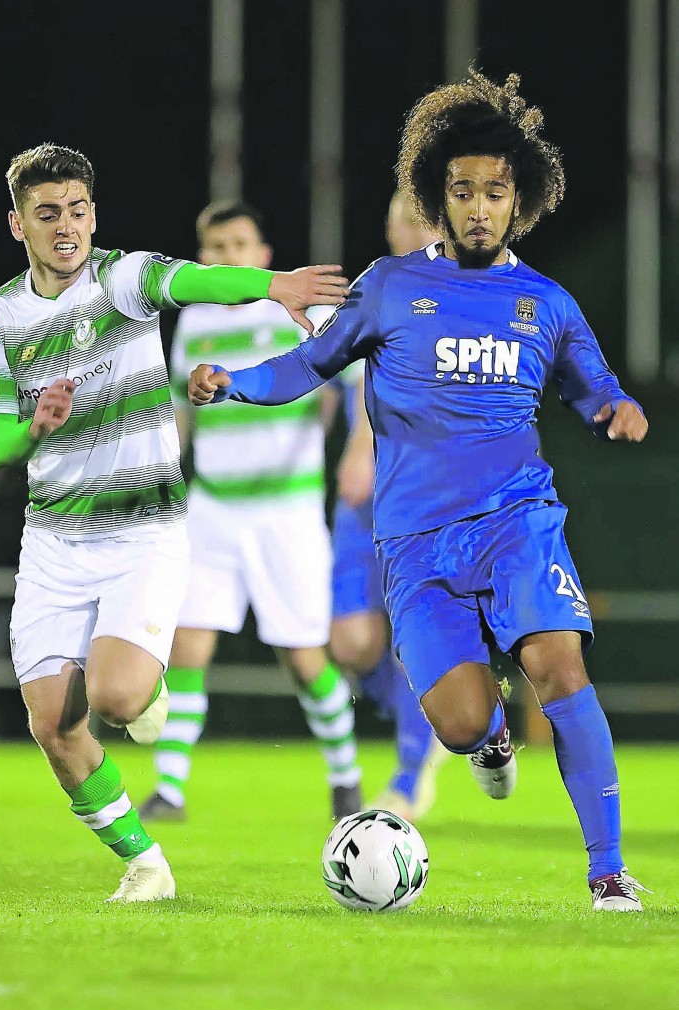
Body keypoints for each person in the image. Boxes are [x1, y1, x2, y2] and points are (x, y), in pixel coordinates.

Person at [185, 71, 652, 911]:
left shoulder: (544, 302)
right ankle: (490, 738)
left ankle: (608, 870)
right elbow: (309, 364)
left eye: (494, 193)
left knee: (558, 664)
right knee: (461, 722)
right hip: (413, 541)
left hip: (516, 521)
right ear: (437, 198)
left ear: (521, 202)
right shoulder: (391, 285)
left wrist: (615, 410)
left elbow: (593, 387)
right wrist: (236, 383)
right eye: (461, 191)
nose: (478, 207)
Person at [0, 143, 348, 903]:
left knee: (112, 700)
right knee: (52, 726)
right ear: (18, 225)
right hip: (51, 541)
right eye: (48, 214)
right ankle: (145, 863)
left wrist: (273, 284)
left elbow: (197, 279)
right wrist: (36, 427)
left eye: (77, 209)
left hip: (143, 529)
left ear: (93, 214)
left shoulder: (123, 278)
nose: (66, 226)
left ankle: (148, 695)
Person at [139, 200, 362, 823]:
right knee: (186, 646)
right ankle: (171, 789)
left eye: (238, 245)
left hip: (285, 512)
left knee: (303, 657)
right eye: (213, 247)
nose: (224, 257)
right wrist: (162, 479)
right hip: (212, 507)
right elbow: (182, 417)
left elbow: (356, 383)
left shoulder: (300, 310)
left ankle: (345, 775)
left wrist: (357, 449)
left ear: (262, 257)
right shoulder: (193, 322)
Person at [330, 190, 451, 822]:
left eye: (417, 221)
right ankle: (454, 714)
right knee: (350, 641)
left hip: (422, 496)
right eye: (399, 220)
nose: (404, 232)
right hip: (363, 495)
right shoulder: (374, 290)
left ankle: (411, 774)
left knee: (411, 637)